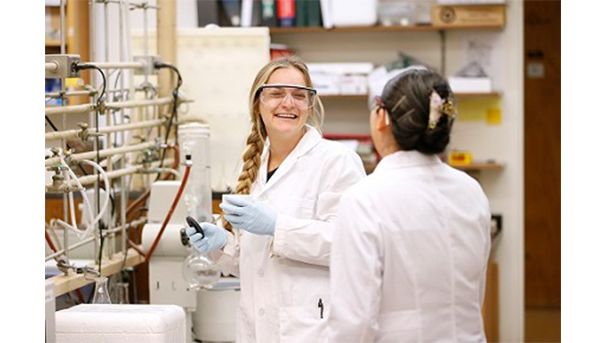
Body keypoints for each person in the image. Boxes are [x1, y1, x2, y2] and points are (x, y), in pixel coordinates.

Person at [185, 56, 366, 343]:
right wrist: (222, 246)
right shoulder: (253, 166)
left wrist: (277, 226)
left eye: (299, 95)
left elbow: (349, 244)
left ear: (310, 106)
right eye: (277, 93)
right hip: (256, 329)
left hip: (313, 329)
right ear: (259, 104)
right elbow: (253, 263)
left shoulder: (338, 161)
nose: (288, 103)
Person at [327, 67, 492, 342]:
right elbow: (475, 294)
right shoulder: (471, 190)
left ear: (382, 118)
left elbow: (353, 324)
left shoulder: (364, 199)